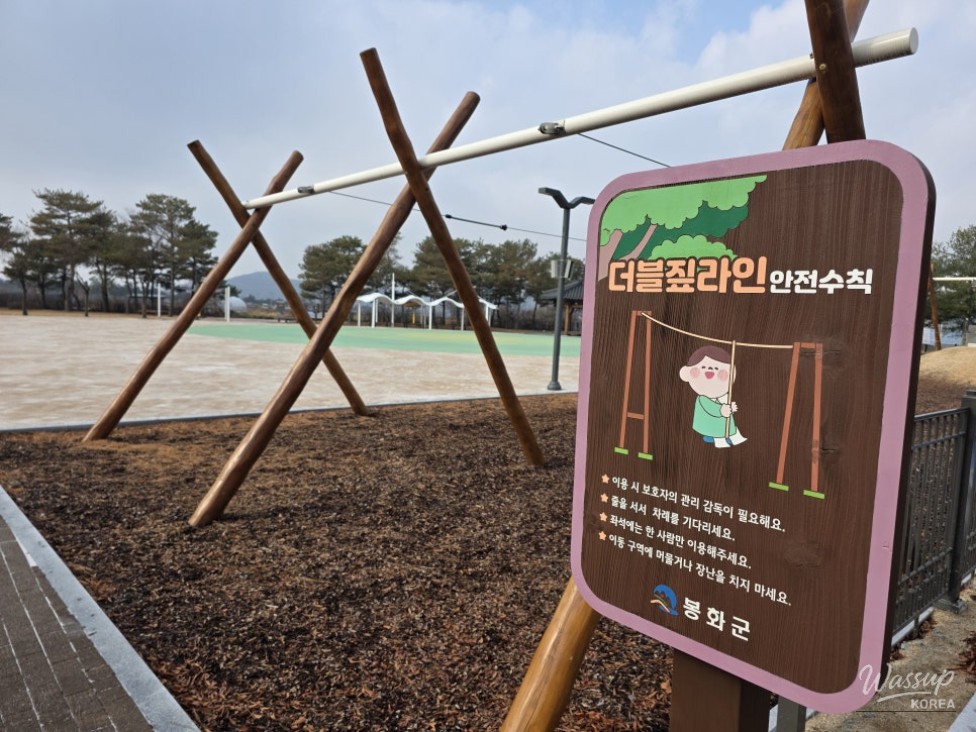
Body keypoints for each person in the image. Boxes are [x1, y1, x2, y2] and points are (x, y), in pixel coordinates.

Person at [678, 345, 746, 448]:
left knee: (726, 425)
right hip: (710, 422)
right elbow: (712, 408)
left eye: (717, 370)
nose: (710, 371)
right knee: (718, 431)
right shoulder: (703, 399)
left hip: (721, 421)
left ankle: (731, 435)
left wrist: (728, 408)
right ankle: (719, 439)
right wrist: (722, 410)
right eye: (703, 368)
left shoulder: (724, 396)